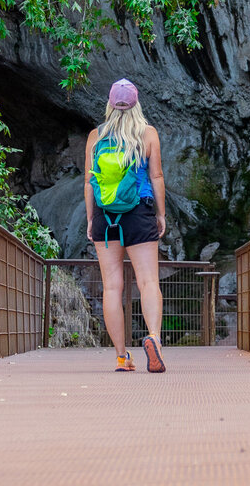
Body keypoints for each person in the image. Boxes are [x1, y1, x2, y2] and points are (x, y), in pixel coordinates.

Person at [85, 78, 167, 373]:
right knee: (148, 282)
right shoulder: (147, 134)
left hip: (105, 218)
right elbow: (156, 177)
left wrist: (91, 218)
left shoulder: (96, 136)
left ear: (110, 104)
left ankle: (122, 357)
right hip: (138, 212)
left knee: (111, 287)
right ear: (136, 104)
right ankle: (154, 339)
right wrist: (161, 214)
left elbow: (89, 181)